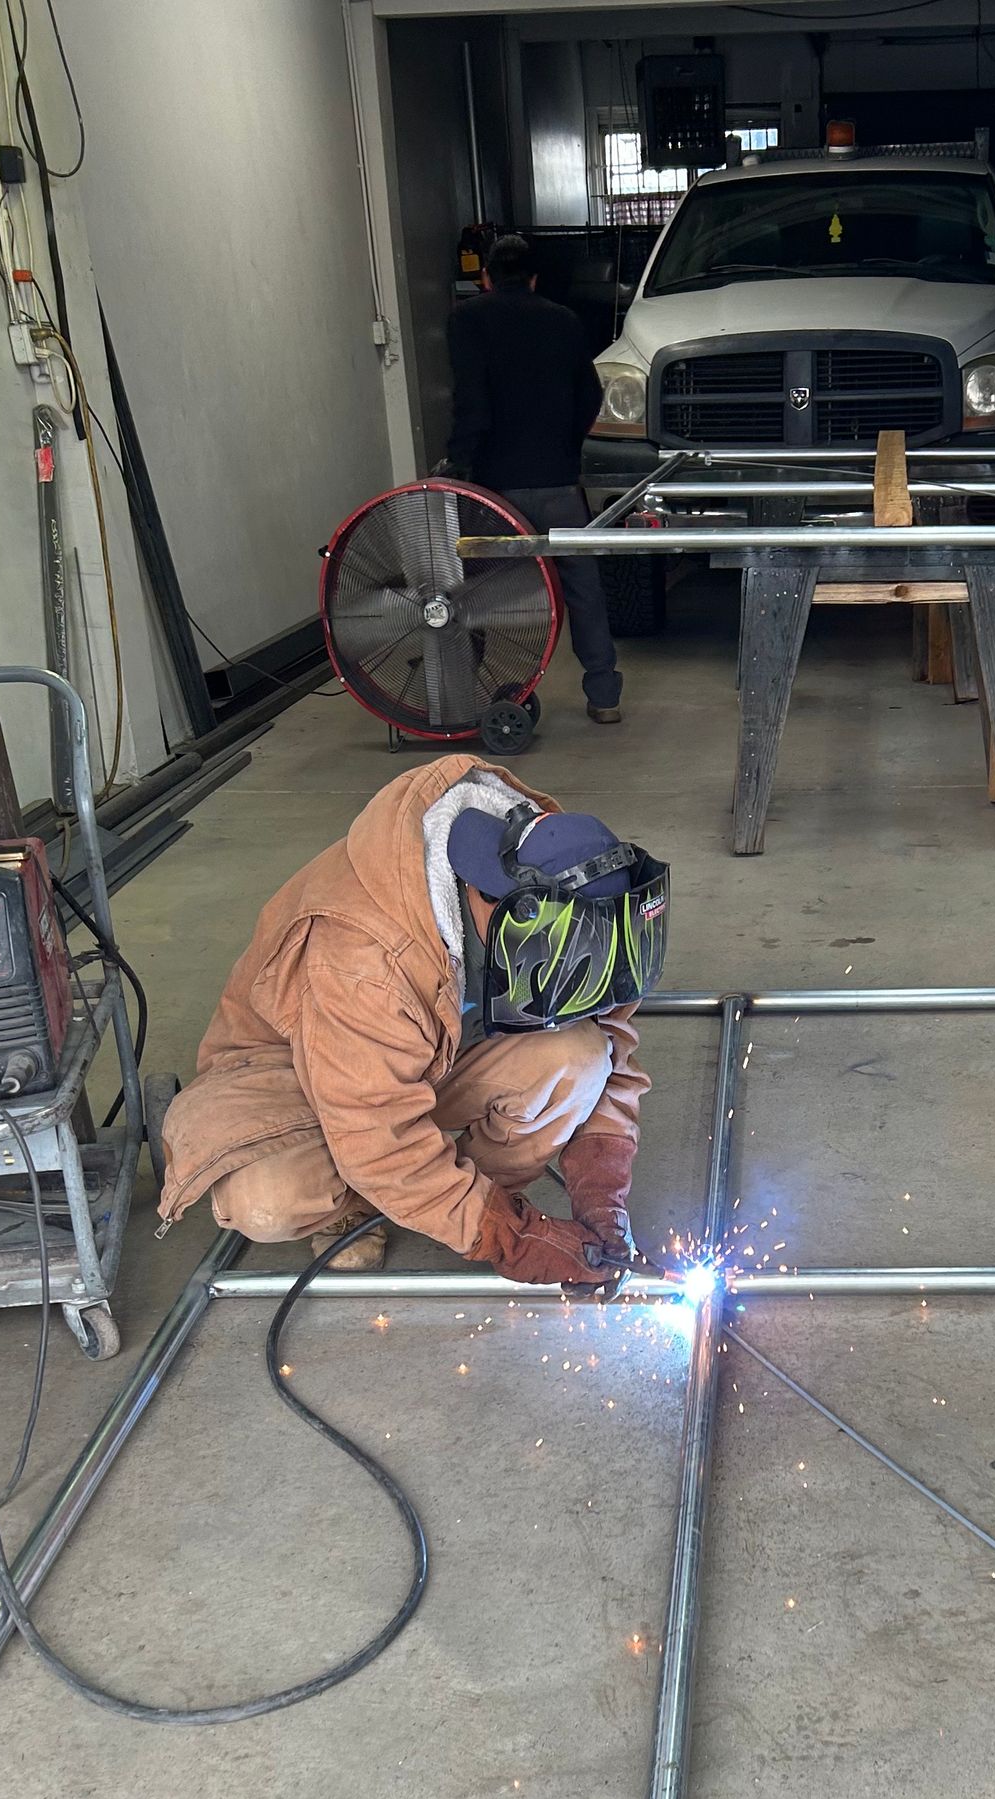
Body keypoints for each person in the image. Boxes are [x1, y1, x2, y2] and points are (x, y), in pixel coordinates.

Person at [157, 755, 667, 1284]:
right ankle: (380, 1204)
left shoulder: (581, 910)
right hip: (294, 1069)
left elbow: (611, 1050)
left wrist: (602, 1196)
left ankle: (449, 1196)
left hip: (427, 1054)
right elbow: (375, 1129)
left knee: (580, 1059)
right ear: (488, 900)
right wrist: (509, 1238)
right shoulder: (366, 956)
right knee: (269, 1198)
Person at [446, 233, 624, 724]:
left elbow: (471, 402)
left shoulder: (466, 319)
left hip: (495, 489)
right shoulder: (563, 320)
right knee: (583, 586)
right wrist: (566, 448)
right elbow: (589, 395)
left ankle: (463, 689)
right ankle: (604, 695)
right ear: (534, 279)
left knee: (466, 589)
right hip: (557, 481)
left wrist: (458, 461)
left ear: (486, 277)